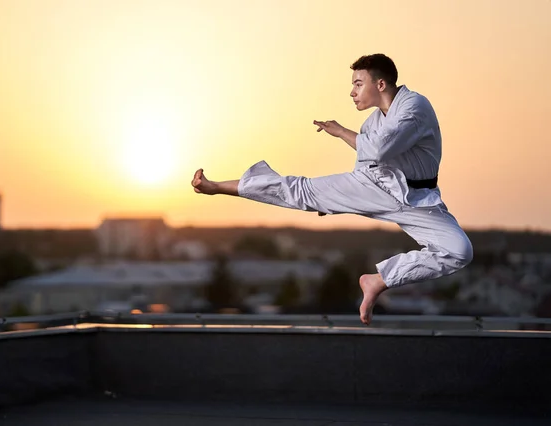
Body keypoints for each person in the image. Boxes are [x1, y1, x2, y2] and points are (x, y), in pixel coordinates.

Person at [191, 53, 473, 325]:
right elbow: (368, 161)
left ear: (381, 84)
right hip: (375, 186)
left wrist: (340, 131)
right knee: (300, 192)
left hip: (418, 199)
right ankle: (216, 186)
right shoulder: (374, 120)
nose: (352, 92)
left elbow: (379, 149)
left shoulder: (414, 107)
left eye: (358, 84)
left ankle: (379, 280)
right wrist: (333, 198)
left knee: (460, 251)